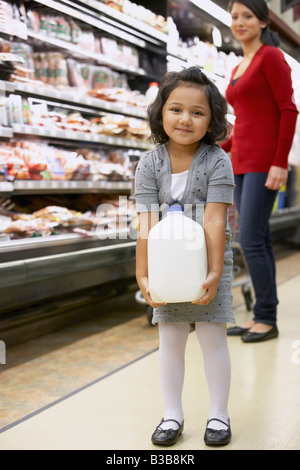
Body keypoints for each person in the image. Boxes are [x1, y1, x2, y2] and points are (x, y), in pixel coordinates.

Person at [134, 66, 235, 447]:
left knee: (213, 338)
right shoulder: (149, 163)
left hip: (209, 261)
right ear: (160, 112)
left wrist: (212, 272)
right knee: (171, 339)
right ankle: (172, 415)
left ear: (211, 121)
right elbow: (144, 223)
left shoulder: (217, 160)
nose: (185, 119)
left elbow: (214, 219)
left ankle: (219, 415)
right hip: (165, 266)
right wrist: (143, 276)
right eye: (176, 109)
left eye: (198, 112)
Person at [222, 0, 298, 343]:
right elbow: (246, 122)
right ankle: (260, 316)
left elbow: (288, 109)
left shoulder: (271, 57)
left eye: (247, 16)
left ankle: (267, 318)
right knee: (255, 239)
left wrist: (280, 161)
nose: (239, 22)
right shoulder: (239, 67)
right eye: (235, 16)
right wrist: (218, 149)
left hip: (264, 163)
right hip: (240, 160)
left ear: (263, 21)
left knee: (251, 238)